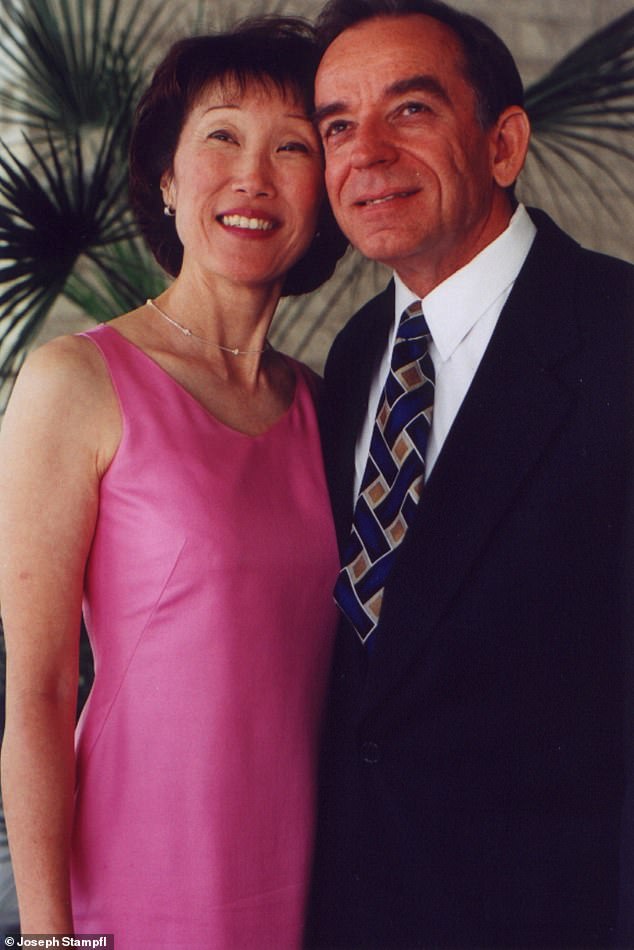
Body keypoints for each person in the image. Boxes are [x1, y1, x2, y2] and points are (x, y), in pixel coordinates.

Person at [0, 16, 347, 949]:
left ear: (325, 195)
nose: (253, 177)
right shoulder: (74, 382)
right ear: (167, 176)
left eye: (294, 147)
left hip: (310, 885)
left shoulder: (330, 409)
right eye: (222, 136)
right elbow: (37, 691)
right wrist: (46, 941)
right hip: (134, 880)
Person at [305, 1, 634, 947]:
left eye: (409, 110)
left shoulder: (617, 335)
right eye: (335, 126)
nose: (364, 153)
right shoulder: (361, 352)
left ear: (503, 143)